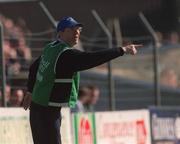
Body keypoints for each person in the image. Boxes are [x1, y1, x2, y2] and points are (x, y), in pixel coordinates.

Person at [22, 16, 142, 144]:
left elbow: (34, 67)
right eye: (72, 29)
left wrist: (30, 91)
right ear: (60, 33)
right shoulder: (65, 54)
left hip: (38, 107)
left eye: (79, 30)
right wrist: (122, 50)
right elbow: (91, 58)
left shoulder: (51, 47)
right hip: (47, 111)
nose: (77, 32)